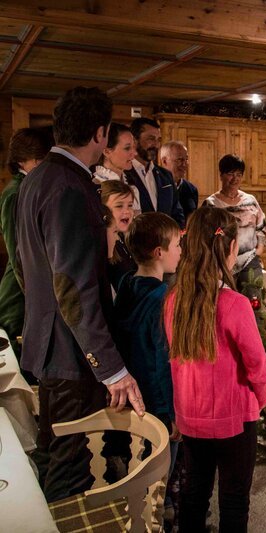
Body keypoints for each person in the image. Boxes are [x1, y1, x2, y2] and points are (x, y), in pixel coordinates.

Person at [15, 86, 144, 502]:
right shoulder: (69, 186)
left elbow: (24, 264)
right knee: (69, 471)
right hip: (70, 353)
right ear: (101, 134)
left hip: (52, 340)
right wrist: (111, 368)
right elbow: (71, 286)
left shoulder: (39, 177)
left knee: (55, 454)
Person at [164, 206, 266, 532]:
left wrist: (179, 413)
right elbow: (258, 366)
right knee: (235, 498)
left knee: (194, 494)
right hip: (236, 418)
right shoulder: (234, 304)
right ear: (232, 248)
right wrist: (261, 400)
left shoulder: (173, 300)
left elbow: (177, 362)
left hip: (192, 417)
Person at [114, 212, 182, 480]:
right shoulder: (163, 299)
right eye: (176, 245)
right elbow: (163, 360)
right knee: (160, 468)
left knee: (140, 459)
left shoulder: (127, 282)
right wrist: (173, 412)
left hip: (130, 389)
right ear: (158, 252)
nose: (180, 251)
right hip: (157, 400)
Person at [0, 127, 53, 368]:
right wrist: (37, 303)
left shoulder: (31, 186)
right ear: (22, 160)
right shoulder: (16, 193)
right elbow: (19, 256)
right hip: (20, 297)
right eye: (39, 161)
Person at [203, 155, 266, 301]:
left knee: (254, 303)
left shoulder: (250, 200)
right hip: (221, 263)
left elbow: (261, 227)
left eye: (239, 174)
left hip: (250, 260)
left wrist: (258, 251)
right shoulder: (211, 204)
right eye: (230, 174)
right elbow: (205, 234)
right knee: (225, 303)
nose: (235, 179)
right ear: (221, 175)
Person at [124, 117, 185, 227]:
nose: (156, 145)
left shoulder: (165, 176)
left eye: (159, 140)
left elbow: (177, 214)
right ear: (135, 140)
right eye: (151, 139)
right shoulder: (124, 174)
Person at [93, 122, 141, 217]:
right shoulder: (96, 185)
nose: (135, 153)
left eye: (134, 147)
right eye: (127, 148)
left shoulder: (133, 186)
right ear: (106, 151)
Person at [100, 180, 137, 292]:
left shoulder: (126, 238)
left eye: (130, 205)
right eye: (119, 206)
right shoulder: (105, 245)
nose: (127, 211)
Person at [160, 140, 198, 220]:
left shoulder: (191, 189)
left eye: (186, 159)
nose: (184, 164)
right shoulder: (156, 185)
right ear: (164, 161)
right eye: (180, 160)